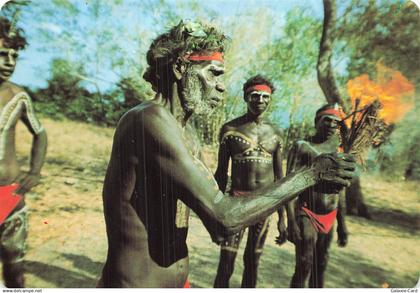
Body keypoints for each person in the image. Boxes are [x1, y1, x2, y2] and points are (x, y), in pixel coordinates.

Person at [98, 20, 355, 288]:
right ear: (179, 68)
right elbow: (224, 219)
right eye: (213, 73)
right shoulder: (148, 120)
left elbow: (212, 214)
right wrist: (310, 175)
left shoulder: (186, 133)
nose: (221, 86)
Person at [213, 75, 286, 288]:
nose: (260, 101)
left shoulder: (276, 133)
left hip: (264, 206)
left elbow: (280, 179)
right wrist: (215, 211)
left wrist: (282, 218)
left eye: (265, 96)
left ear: (270, 99)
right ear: (246, 97)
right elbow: (220, 173)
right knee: (226, 261)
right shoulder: (230, 130)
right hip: (236, 204)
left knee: (253, 261)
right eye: (255, 96)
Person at [0, 17, 47, 287]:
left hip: (10, 196)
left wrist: (35, 171)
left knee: (15, 270)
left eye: (14, 55)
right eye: (2, 54)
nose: (9, 62)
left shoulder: (19, 97)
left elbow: (40, 133)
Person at [283, 104, 348, 288]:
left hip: (330, 216)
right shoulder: (303, 147)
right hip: (306, 212)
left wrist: (342, 225)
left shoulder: (339, 153)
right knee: (304, 263)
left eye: (336, 122)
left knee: (321, 266)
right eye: (326, 120)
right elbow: (288, 187)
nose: (331, 125)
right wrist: (291, 221)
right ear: (317, 121)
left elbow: (341, 190)